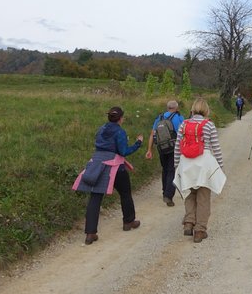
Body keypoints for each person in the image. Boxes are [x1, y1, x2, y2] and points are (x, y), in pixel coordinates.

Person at [72, 106, 143, 245]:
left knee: (95, 197)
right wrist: (138, 143)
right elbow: (123, 152)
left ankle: (90, 233)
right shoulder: (120, 132)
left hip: (97, 165)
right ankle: (128, 221)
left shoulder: (101, 129)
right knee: (125, 193)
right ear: (121, 118)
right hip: (115, 167)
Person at [173, 98, 226, 243]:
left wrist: (177, 165)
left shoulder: (184, 124)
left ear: (192, 109)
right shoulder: (209, 125)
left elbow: (177, 146)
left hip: (186, 163)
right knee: (203, 197)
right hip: (204, 164)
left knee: (189, 194)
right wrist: (220, 167)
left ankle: (189, 222)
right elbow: (216, 148)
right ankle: (200, 230)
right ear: (206, 110)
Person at [145, 100, 184, 206]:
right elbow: (182, 134)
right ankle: (168, 195)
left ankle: (164, 192)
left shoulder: (160, 117)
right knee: (172, 170)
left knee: (165, 169)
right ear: (176, 108)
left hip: (161, 148)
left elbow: (152, 134)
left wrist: (149, 150)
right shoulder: (179, 117)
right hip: (173, 148)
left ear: (167, 108)